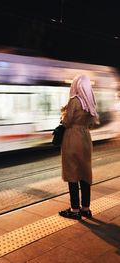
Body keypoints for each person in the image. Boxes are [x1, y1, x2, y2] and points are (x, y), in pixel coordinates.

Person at [58, 75, 99, 220]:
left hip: (72, 137)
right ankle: (85, 208)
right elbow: (92, 123)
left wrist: (63, 113)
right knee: (85, 172)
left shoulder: (74, 101)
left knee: (72, 173)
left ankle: (74, 209)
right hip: (86, 138)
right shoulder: (90, 102)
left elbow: (66, 122)